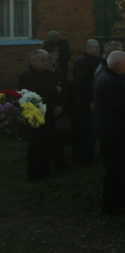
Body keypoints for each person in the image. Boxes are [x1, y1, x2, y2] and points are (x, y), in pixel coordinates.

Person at [93, 51, 125, 214]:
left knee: (121, 168)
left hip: (117, 132)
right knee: (114, 169)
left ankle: (121, 199)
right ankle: (111, 204)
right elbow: (120, 106)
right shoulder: (109, 82)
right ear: (118, 65)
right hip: (114, 133)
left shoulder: (112, 77)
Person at [19, 50, 66, 181]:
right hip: (37, 114)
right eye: (42, 60)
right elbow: (32, 94)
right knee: (37, 144)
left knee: (49, 142)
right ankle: (34, 173)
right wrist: (54, 91)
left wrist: (58, 106)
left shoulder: (48, 74)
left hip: (51, 113)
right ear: (33, 61)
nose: (46, 63)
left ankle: (45, 169)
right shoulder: (26, 76)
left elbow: (60, 89)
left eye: (47, 60)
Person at [72, 39, 102, 165]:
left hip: (92, 100)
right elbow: (83, 84)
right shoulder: (82, 62)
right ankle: (85, 158)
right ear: (87, 49)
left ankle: (87, 156)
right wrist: (90, 101)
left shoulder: (94, 61)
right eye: (96, 47)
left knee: (92, 131)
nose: (99, 49)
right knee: (88, 131)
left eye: (99, 47)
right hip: (85, 103)